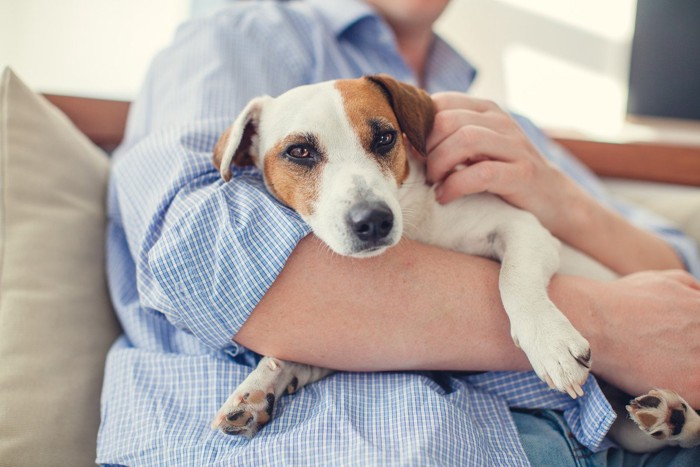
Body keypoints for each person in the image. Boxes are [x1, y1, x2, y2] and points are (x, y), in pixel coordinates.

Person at [98, 0, 700, 465]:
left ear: (405, 130)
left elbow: (680, 276)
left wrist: (560, 199)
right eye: (305, 154)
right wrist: (606, 321)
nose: (362, 197)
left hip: (601, 428)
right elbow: (200, 255)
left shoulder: (497, 119)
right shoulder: (240, 34)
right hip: (378, 441)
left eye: (381, 140)